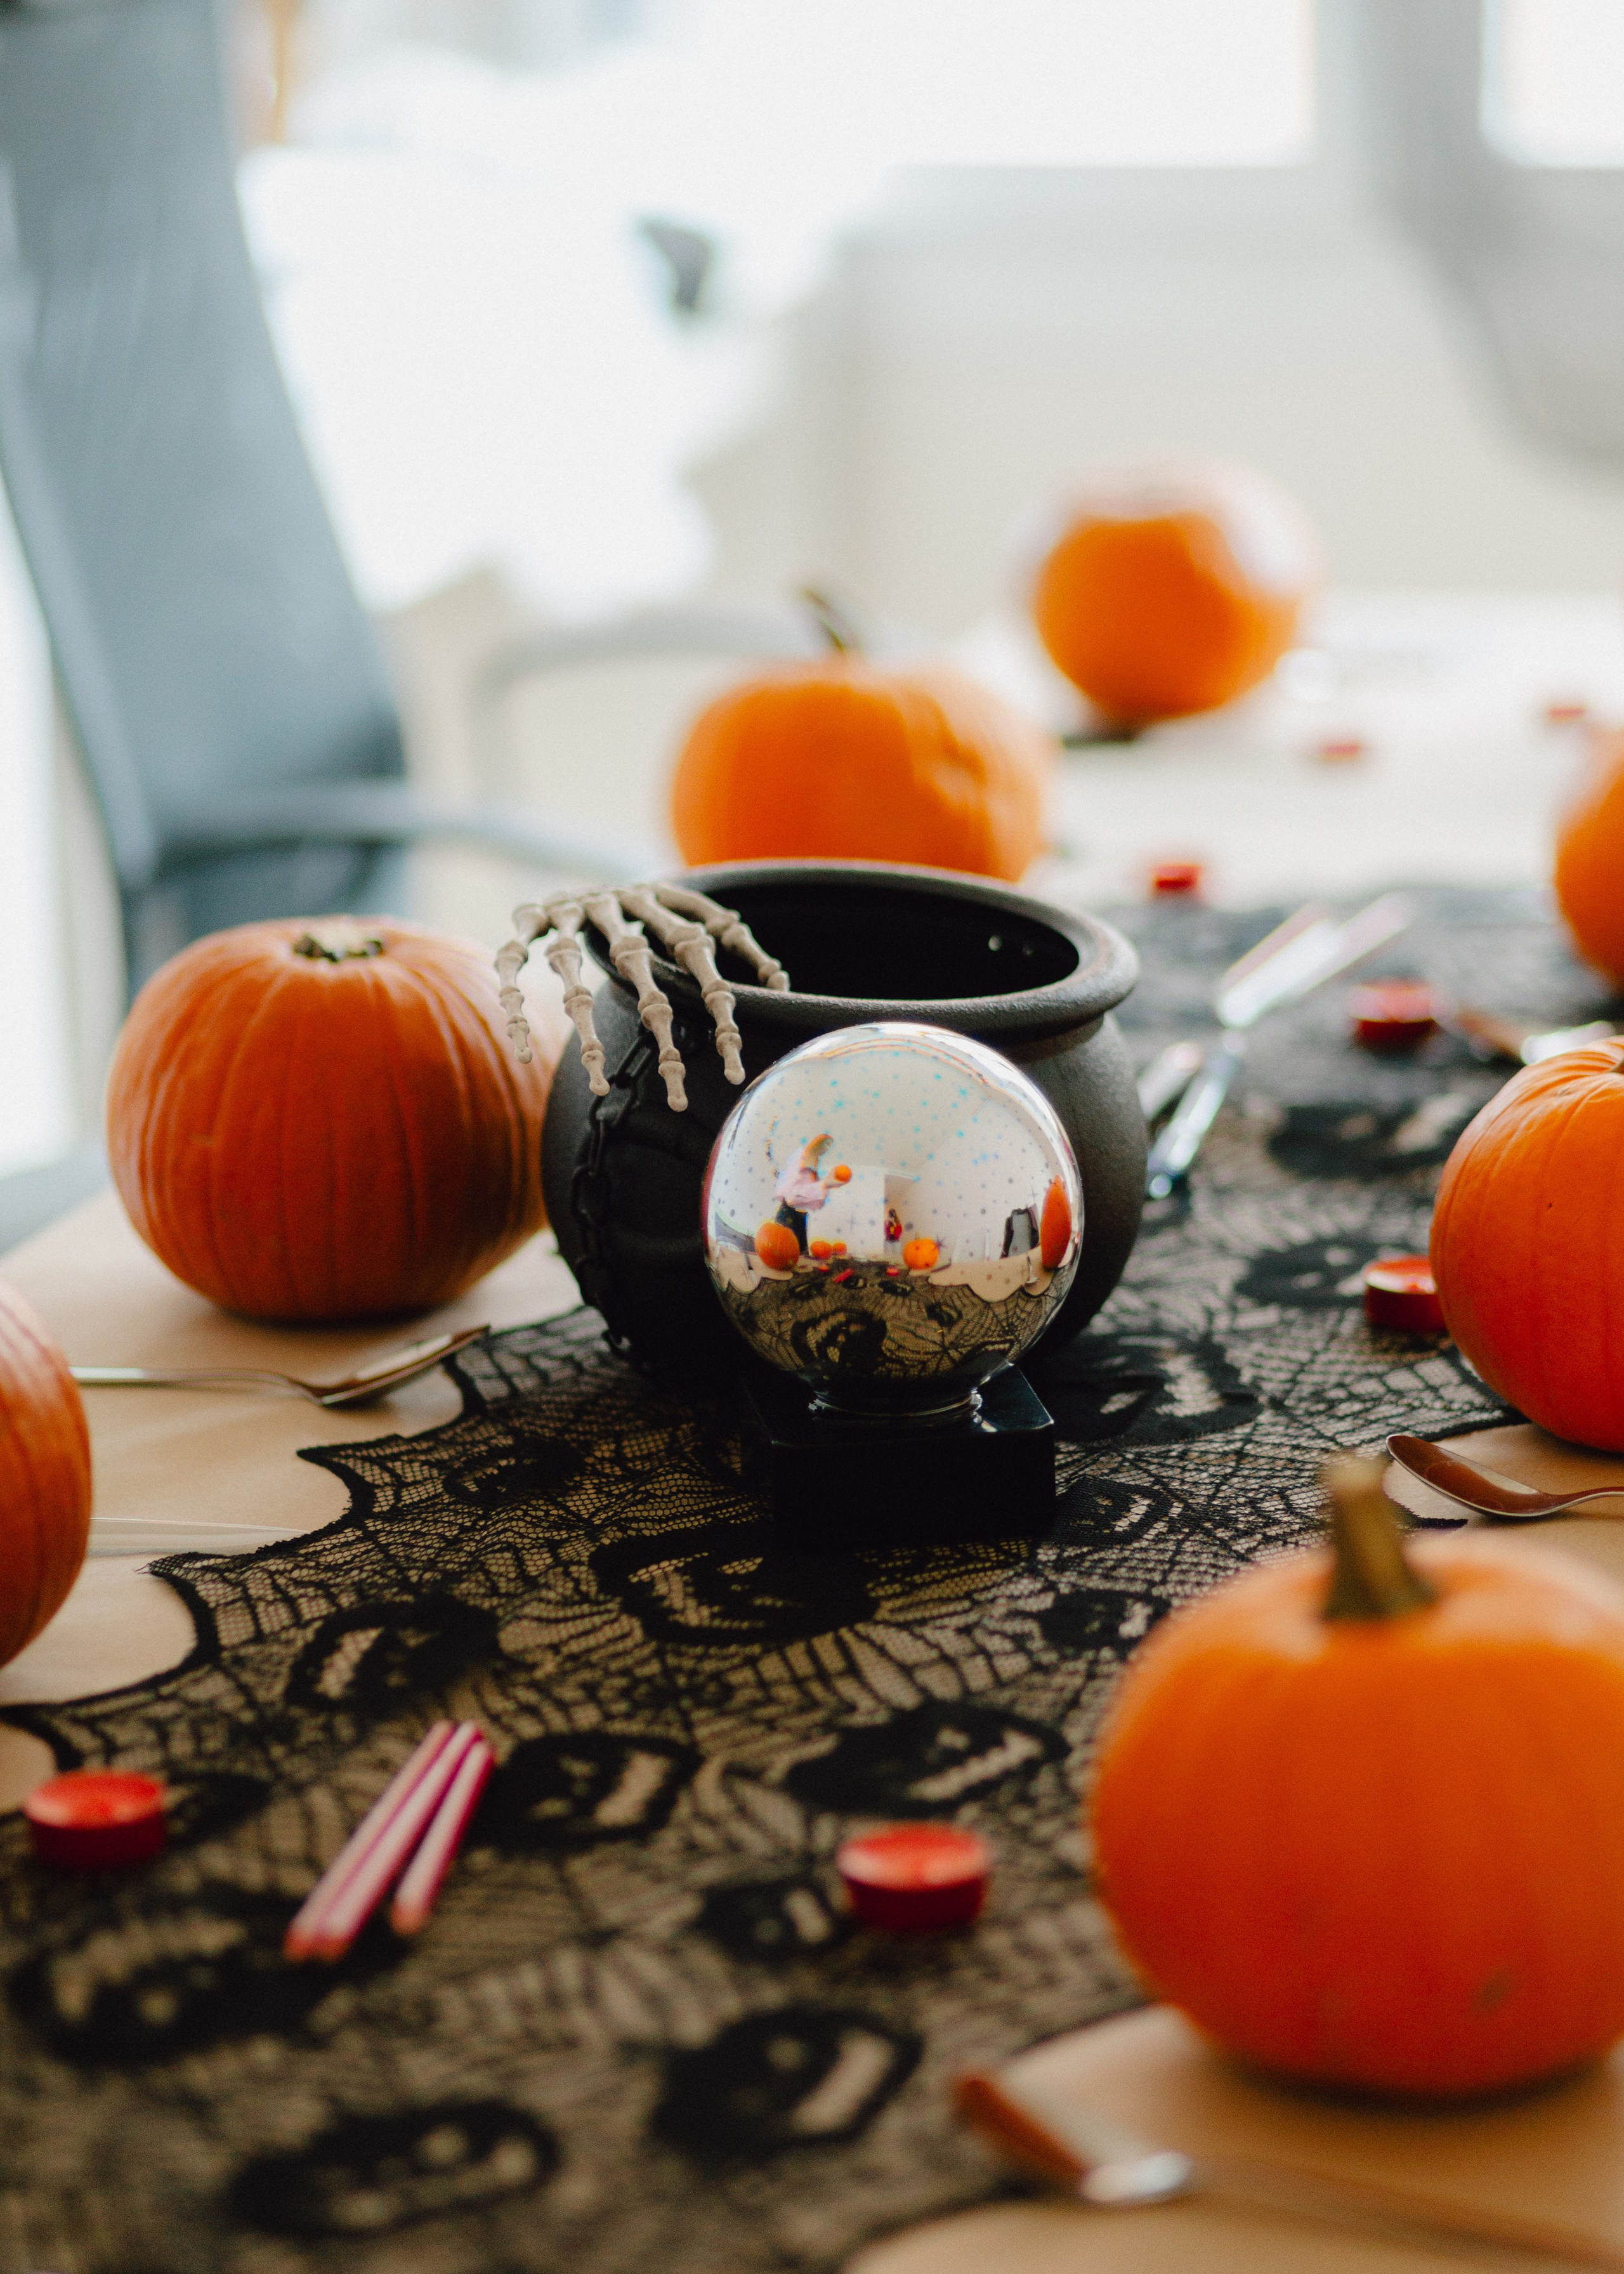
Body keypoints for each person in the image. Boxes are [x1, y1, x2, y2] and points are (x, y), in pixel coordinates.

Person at [773, 1133, 837, 1253]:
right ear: (818, 1143)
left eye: (830, 1146)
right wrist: (824, 1185)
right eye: (826, 1144)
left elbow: (813, 1203)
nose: (827, 1149)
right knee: (785, 1254)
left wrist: (827, 1187)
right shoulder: (801, 1158)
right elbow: (792, 1197)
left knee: (801, 1254)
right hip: (789, 1217)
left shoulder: (812, 1164)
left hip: (800, 1216)